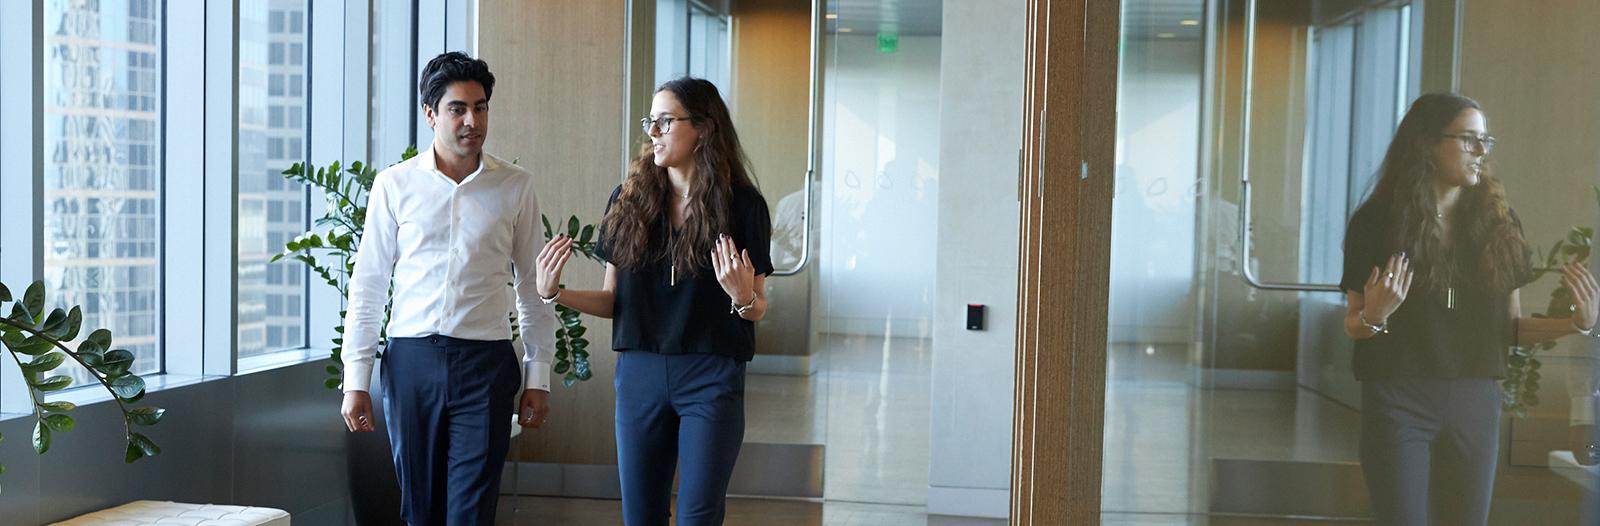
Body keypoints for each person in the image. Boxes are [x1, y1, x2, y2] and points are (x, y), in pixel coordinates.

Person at [1340, 92, 1599, 525]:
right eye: (1468, 140)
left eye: (1485, 141)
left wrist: (1578, 323)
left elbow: (1511, 329)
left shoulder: (1499, 223)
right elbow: (1354, 323)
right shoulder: (1376, 223)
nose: (1481, 151)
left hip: (1476, 402)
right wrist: (1375, 316)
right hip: (1399, 399)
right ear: (1426, 144)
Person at [535, 77, 773, 525]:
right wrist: (555, 293)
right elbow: (612, 299)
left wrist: (743, 298)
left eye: (666, 121)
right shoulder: (629, 200)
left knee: (698, 515)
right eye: (651, 121)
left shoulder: (743, 206)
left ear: (703, 128)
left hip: (710, 375)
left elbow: (758, 305)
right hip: (639, 374)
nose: (653, 131)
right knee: (641, 516)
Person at [338, 51, 557, 525]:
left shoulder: (515, 187)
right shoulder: (394, 186)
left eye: (480, 107)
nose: (471, 120)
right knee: (420, 510)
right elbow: (370, 284)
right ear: (431, 113)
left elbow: (533, 287)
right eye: (458, 108)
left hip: (486, 364)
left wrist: (538, 374)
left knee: (472, 512)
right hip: (412, 362)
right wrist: (356, 379)